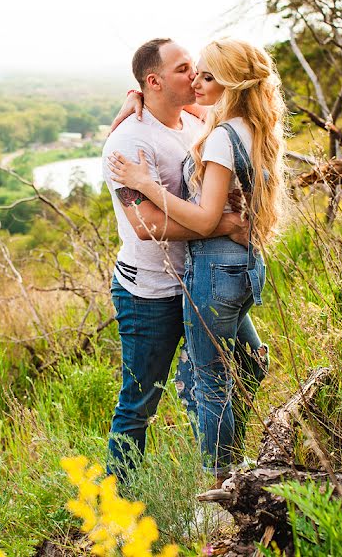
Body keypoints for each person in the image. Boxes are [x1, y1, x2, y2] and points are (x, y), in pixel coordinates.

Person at [108, 38, 285, 486]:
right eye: (185, 68)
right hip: (150, 289)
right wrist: (221, 225)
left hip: (199, 278)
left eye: (201, 70)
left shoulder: (196, 119)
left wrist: (135, 98)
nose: (195, 77)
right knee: (140, 403)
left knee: (246, 365)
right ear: (154, 81)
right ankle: (117, 509)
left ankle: (228, 475)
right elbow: (146, 225)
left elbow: (234, 112)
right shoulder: (127, 142)